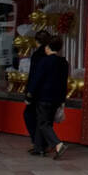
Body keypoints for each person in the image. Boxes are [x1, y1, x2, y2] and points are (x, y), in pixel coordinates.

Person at [27, 31, 71, 159]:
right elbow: (64, 82)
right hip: (56, 98)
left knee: (43, 123)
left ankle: (57, 144)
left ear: (47, 47)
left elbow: (37, 79)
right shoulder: (63, 62)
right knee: (47, 122)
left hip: (44, 96)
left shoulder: (45, 62)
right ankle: (39, 147)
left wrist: (30, 93)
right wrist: (62, 100)